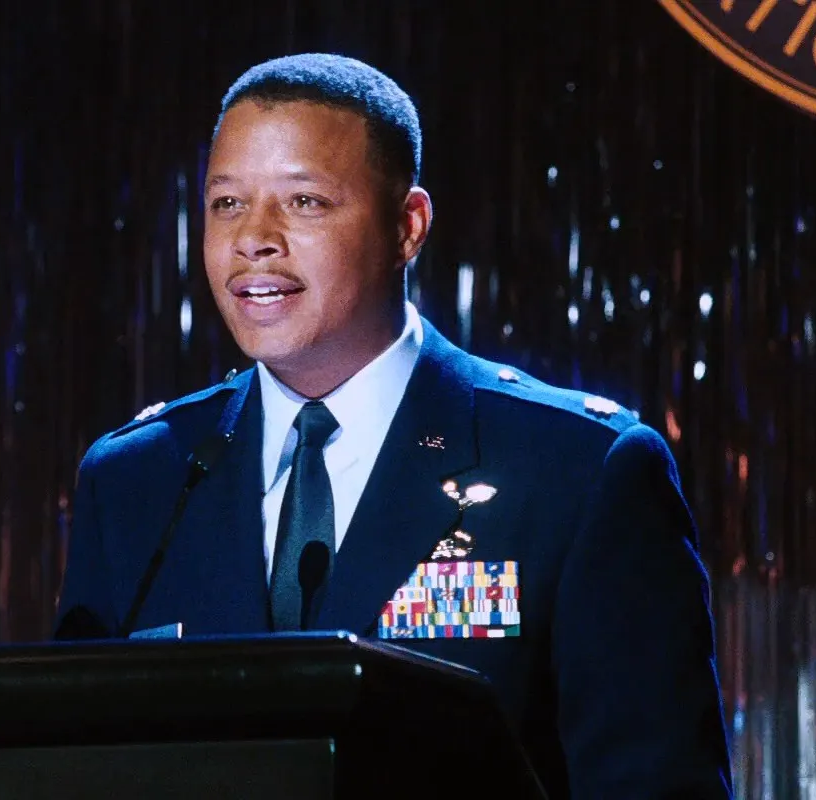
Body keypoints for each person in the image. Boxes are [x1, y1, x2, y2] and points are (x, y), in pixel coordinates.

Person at [55, 53, 731, 797]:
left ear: (408, 226)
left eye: (304, 201)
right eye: (227, 203)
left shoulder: (577, 470)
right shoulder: (138, 480)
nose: (254, 238)